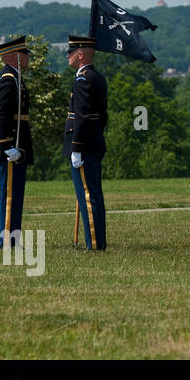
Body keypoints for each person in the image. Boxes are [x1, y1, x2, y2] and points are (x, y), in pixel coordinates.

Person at [63, 35, 108, 251]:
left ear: (80, 55)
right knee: (93, 194)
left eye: (70, 52)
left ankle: (95, 243)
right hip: (95, 142)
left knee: (88, 196)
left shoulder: (82, 79)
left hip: (84, 146)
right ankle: (96, 240)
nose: (68, 56)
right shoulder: (97, 76)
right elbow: (102, 117)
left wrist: (77, 147)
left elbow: (81, 116)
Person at [0, 36, 33, 248]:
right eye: (25, 54)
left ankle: (12, 239)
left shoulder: (15, 78)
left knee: (15, 195)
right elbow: (1, 115)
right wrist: (8, 145)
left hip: (18, 144)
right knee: (9, 195)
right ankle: (6, 241)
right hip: (11, 146)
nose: (27, 58)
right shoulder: (8, 79)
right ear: (15, 56)